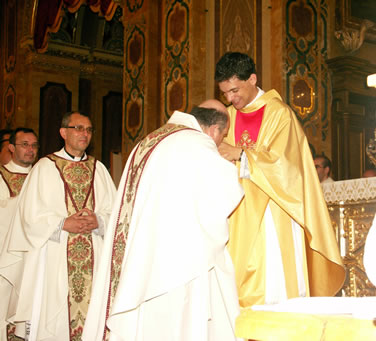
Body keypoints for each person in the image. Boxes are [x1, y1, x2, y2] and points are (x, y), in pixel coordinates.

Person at [82, 100, 244, 341]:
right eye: (222, 136)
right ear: (213, 130)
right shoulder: (197, 143)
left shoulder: (150, 140)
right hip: (173, 261)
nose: (221, 143)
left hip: (142, 251)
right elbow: (226, 190)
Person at [215, 52, 345, 308]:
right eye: (225, 93)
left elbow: (288, 169)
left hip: (274, 215)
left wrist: (242, 154)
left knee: (272, 284)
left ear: (252, 79)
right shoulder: (227, 117)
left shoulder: (279, 114)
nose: (231, 98)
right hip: (235, 214)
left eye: (234, 90)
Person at [0, 111, 117, 341]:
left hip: (94, 254)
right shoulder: (44, 167)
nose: (85, 134)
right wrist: (63, 223)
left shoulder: (99, 169)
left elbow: (115, 211)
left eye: (89, 129)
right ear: (63, 132)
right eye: (79, 128)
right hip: (55, 255)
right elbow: (29, 217)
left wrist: (99, 221)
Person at [0, 127, 38, 341]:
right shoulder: (1, 176)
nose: (30, 150)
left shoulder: (42, 176)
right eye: (24, 144)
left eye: (34, 145)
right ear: (11, 148)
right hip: (7, 257)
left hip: (35, 256)